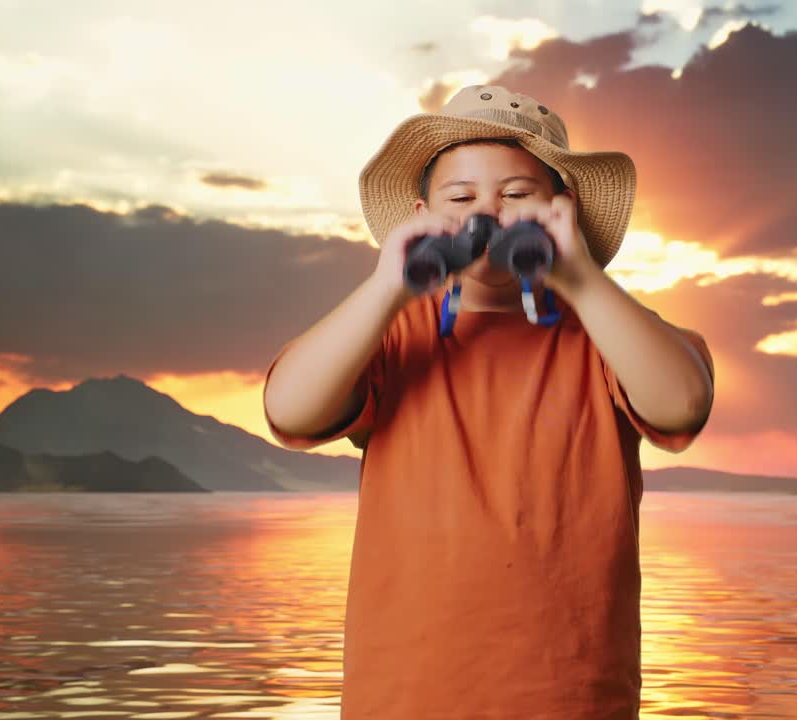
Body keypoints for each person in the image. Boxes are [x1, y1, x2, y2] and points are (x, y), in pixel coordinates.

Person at [262, 85, 715, 720]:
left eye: (517, 195)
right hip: (406, 694)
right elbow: (290, 412)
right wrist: (389, 284)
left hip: (572, 696)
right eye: (462, 199)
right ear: (421, 214)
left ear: (564, 210)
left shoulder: (608, 333)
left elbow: (683, 406)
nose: (489, 213)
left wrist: (581, 280)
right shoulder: (391, 333)